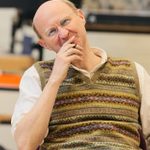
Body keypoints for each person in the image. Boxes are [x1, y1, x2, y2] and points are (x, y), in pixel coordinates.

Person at [11, 0, 150, 149]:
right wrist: (55, 79)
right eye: (52, 32)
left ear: (81, 17)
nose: (63, 34)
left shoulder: (133, 71)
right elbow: (25, 144)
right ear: (45, 44)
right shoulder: (36, 76)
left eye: (65, 21)